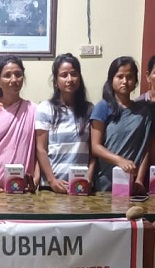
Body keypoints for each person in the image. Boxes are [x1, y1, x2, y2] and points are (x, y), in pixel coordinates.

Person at [90, 56, 154, 194]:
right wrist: (120, 161)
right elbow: (95, 147)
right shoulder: (102, 108)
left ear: (135, 81)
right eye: (120, 77)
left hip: (132, 182)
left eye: (129, 77)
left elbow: (145, 149)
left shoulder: (143, 112)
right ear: (111, 79)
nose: (125, 81)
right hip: (104, 182)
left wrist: (139, 180)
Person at [36, 53, 94, 193]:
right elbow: (41, 149)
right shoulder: (45, 108)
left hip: (80, 186)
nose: (70, 79)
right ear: (56, 81)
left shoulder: (89, 110)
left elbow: (93, 151)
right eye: (64, 75)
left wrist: (89, 178)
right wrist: (52, 180)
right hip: (51, 186)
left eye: (74, 74)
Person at [0, 55, 38, 192]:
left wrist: (36, 176)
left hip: (24, 185)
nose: (14, 79)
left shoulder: (33, 110)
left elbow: (38, 149)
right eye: (7, 75)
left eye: (18, 74)